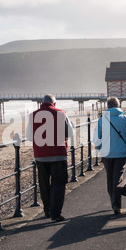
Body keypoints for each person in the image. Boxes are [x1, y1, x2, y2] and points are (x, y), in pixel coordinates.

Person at [26, 94, 75, 222]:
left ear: (42, 103)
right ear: (54, 103)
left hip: (41, 155)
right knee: (59, 183)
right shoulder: (61, 114)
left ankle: (47, 210)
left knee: (44, 184)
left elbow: (30, 137)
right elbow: (70, 133)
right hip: (58, 154)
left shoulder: (33, 115)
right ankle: (55, 213)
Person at [93, 96, 126, 214]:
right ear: (118, 106)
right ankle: (116, 204)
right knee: (117, 177)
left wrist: (98, 148)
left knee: (110, 177)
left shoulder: (102, 120)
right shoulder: (124, 119)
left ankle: (113, 201)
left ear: (107, 106)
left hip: (106, 154)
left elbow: (97, 137)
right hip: (120, 153)